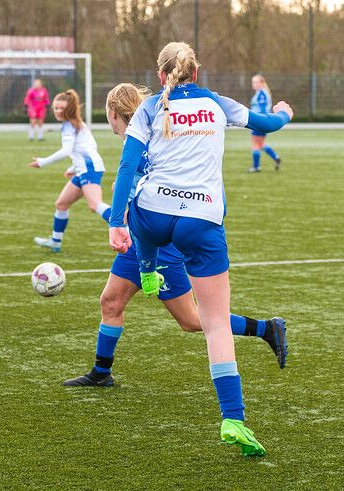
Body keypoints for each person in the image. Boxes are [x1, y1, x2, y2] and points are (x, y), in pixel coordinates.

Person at [108, 43, 293, 457]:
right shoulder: (218, 103)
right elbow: (269, 123)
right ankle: (233, 418)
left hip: (151, 214)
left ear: (160, 75)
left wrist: (116, 222)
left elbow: (126, 167)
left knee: (148, 225)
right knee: (212, 323)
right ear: (197, 70)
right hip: (202, 221)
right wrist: (284, 112)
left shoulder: (151, 107)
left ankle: (149, 267)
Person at [64, 83, 287, 388]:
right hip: (137, 240)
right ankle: (101, 372)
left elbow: (142, 188)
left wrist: (124, 211)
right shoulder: (147, 133)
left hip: (160, 244)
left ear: (112, 114)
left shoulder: (149, 143)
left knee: (193, 320)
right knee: (111, 302)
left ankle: (266, 329)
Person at [29, 89, 111, 252]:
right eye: (56, 108)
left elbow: (66, 151)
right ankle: (55, 241)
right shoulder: (78, 124)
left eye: (62, 108)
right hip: (84, 169)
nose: (58, 111)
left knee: (94, 204)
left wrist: (42, 162)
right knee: (61, 204)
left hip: (89, 169)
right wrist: (73, 168)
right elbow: (88, 148)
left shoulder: (69, 125)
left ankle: (127, 229)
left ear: (70, 109)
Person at [247, 74, 282, 173]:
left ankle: (256, 167)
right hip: (262, 121)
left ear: (261, 83)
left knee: (255, 143)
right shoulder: (260, 93)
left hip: (259, 121)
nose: (253, 84)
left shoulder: (262, 94)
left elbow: (262, 110)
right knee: (260, 144)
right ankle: (276, 157)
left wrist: (257, 122)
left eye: (256, 82)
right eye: (253, 82)